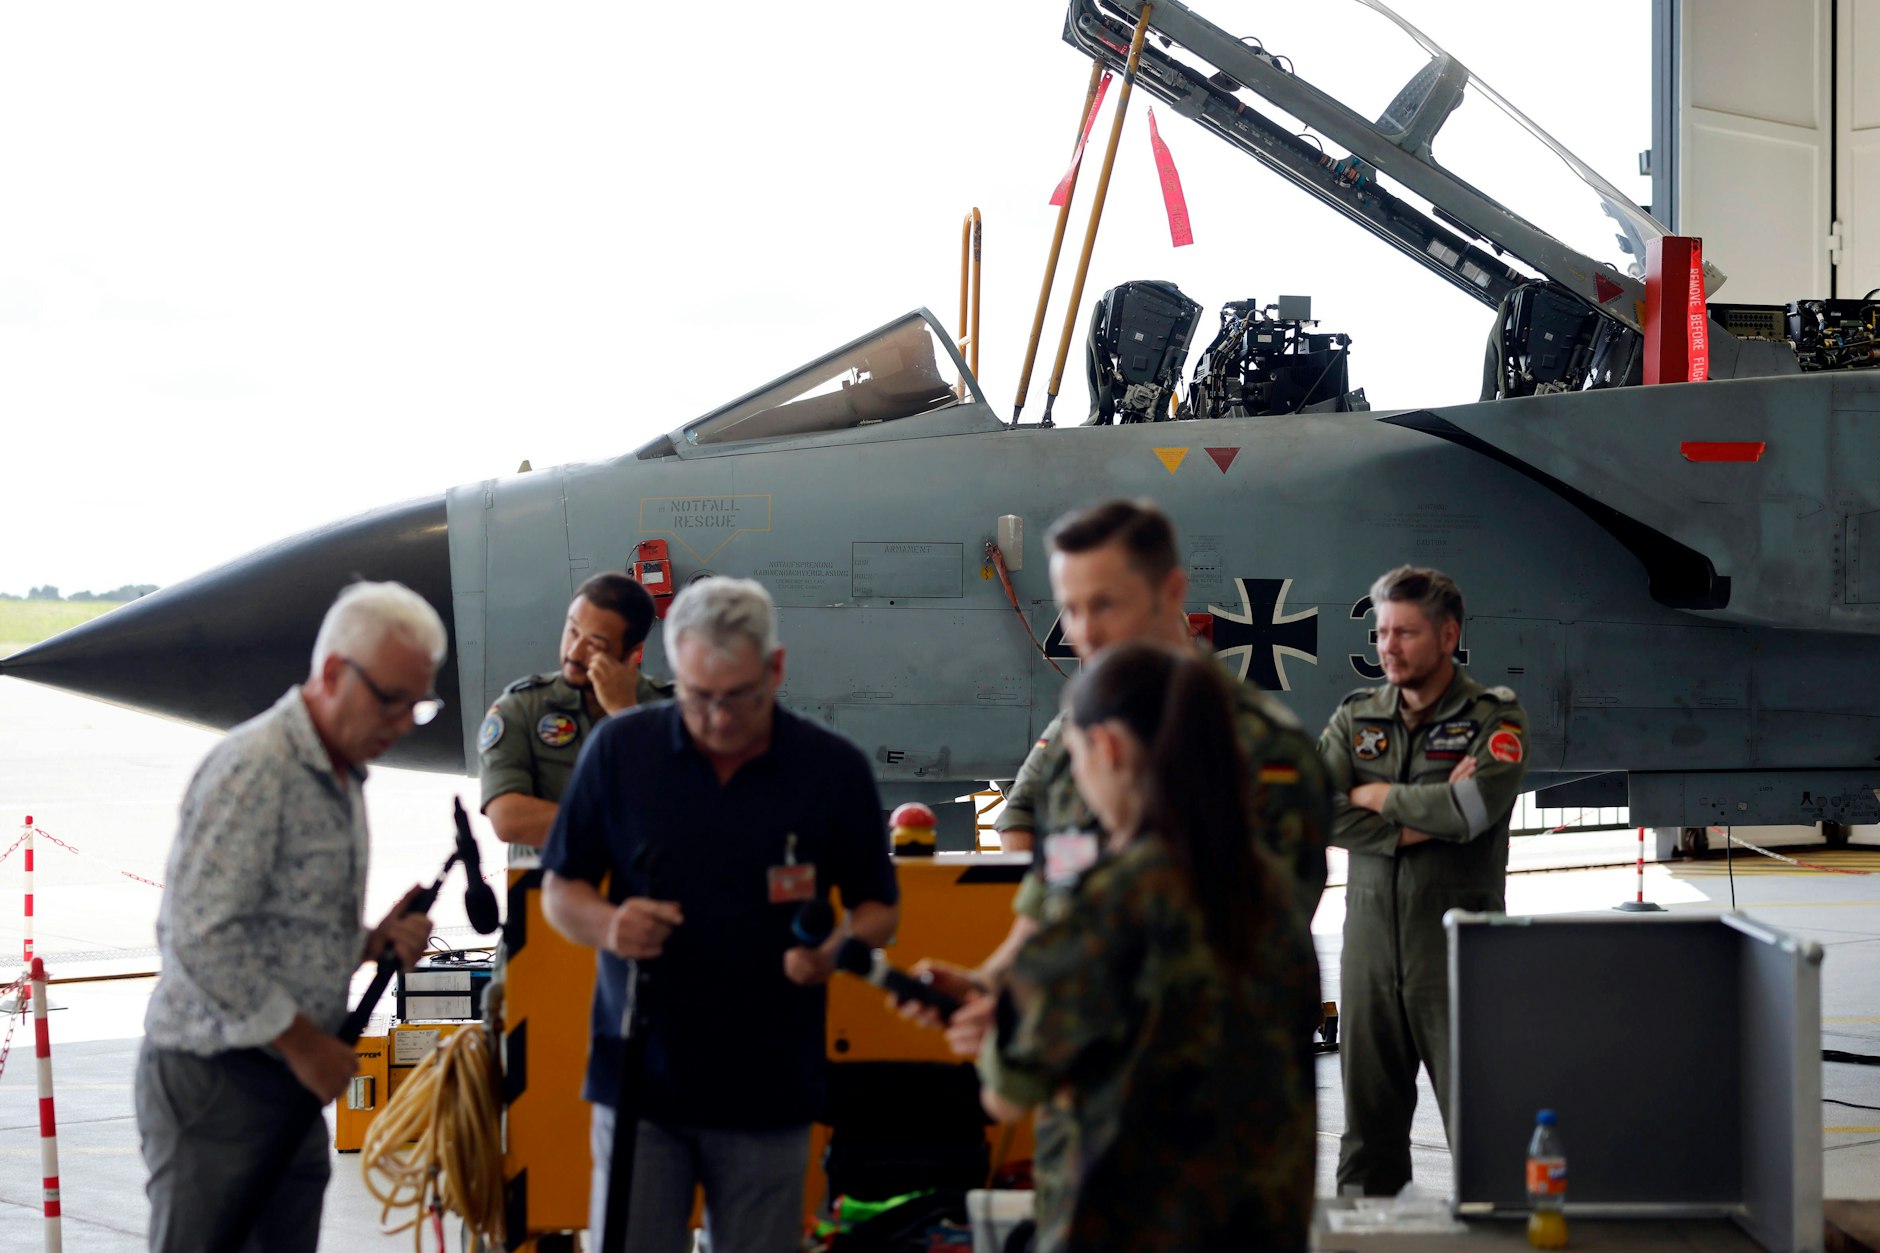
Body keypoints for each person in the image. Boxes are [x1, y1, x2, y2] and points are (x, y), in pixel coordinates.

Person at [541, 577, 900, 1251]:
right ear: (672, 669)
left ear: (776, 667)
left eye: (738, 695)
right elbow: (564, 889)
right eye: (698, 696)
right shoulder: (622, 752)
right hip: (644, 1080)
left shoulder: (830, 769)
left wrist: (834, 951)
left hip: (770, 1086)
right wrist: (611, 926)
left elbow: (880, 907)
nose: (717, 717)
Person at [913, 499, 1328, 1056]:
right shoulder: (1072, 743)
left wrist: (1032, 1024)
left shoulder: (1259, 749)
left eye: (1105, 604)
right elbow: (1050, 906)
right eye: (1071, 609)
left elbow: (1237, 944)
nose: (1086, 633)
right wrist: (987, 982)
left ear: (1171, 594)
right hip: (1084, 1111)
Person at [979, 641, 1319, 1252]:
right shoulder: (1267, 892)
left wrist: (992, 1018)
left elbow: (1007, 1092)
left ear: (1105, 749)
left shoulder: (1106, 900)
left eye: (1075, 758)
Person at [135, 581, 443, 1253]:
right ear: (333, 673)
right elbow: (199, 934)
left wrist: (369, 941)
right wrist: (307, 1045)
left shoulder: (340, 768)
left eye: (417, 704)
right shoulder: (257, 767)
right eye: (390, 699)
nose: (401, 722)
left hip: (285, 1074)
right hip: (219, 1079)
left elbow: (278, 925)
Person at [1318, 565, 1529, 1197]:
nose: (1388, 647)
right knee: (1367, 1144)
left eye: (1405, 633)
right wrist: (1421, 810)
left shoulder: (1496, 718)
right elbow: (1314, 808)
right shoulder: (1356, 718)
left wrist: (1375, 793)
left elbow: (1472, 812)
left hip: (1458, 958)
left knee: (1485, 1136)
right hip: (1369, 960)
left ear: (1447, 635)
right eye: (1382, 633)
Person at [479, 572, 670, 862]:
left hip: (642, 897)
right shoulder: (521, 707)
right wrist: (631, 829)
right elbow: (509, 819)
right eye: (572, 631)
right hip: (543, 898)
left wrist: (626, 716)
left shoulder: (670, 711)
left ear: (633, 653)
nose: (575, 652)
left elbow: (690, 811)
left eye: (595, 643)